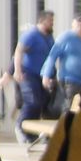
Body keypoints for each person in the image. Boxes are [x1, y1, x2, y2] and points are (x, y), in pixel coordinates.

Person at [41, 14, 81, 110]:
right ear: (73, 25)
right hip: (69, 80)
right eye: (78, 25)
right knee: (70, 106)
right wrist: (46, 75)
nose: (80, 28)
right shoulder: (65, 38)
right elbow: (52, 57)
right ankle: (66, 124)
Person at [12, 10, 55, 141]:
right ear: (42, 21)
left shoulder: (49, 36)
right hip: (28, 73)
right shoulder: (31, 35)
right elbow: (18, 51)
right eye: (50, 21)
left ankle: (31, 133)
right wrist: (17, 71)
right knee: (32, 101)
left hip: (43, 75)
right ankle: (20, 126)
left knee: (42, 103)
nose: (52, 23)